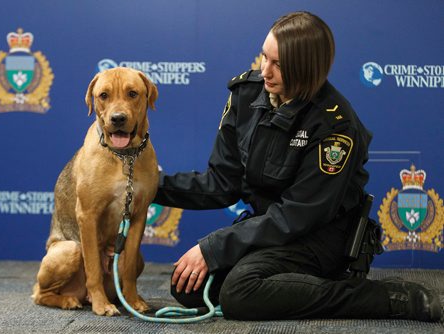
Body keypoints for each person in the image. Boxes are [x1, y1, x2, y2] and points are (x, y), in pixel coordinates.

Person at [153, 11, 442, 322]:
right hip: (270, 229)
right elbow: (222, 183)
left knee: (240, 292)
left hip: (320, 237)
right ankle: (291, 286)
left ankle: (388, 298)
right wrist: (149, 187)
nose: (265, 70)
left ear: (306, 69)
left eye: (278, 64)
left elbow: (298, 215)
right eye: (264, 57)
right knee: (187, 286)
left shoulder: (336, 125)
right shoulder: (245, 95)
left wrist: (214, 248)